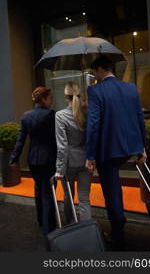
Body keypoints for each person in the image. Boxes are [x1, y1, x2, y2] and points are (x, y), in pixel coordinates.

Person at [85, 55, 147, 246]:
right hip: (128, 148)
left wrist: (90, 156)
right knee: (115, 188)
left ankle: (118, 232)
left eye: (94, 72)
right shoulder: (130, 88)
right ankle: (119, 220)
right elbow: (139, 117)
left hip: (108, 151)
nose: (94, 76)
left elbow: (93, 124)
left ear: (101, 70)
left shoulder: (95, 90)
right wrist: (142, 147)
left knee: (111, 191)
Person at [9, 87, 57, 235]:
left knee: (38, 189)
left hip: (33, 160)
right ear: (43, 99)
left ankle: (40, 220)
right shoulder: (52, 115)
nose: (52, 100)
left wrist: (14, 159)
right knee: (49, 192)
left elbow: (20, 140)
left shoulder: (26, 116)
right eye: (50, 98)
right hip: (49, 159)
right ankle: (50, 226)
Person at [55, 81, 92, 223]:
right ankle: (87, 230)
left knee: (68, 195)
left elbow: (62, 146)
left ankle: (71, 224)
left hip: (69, 162)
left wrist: (59, 169)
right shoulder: (87, 113)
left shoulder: (60, 115)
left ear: (65, 96)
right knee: (84, 199)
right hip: (86, 160)